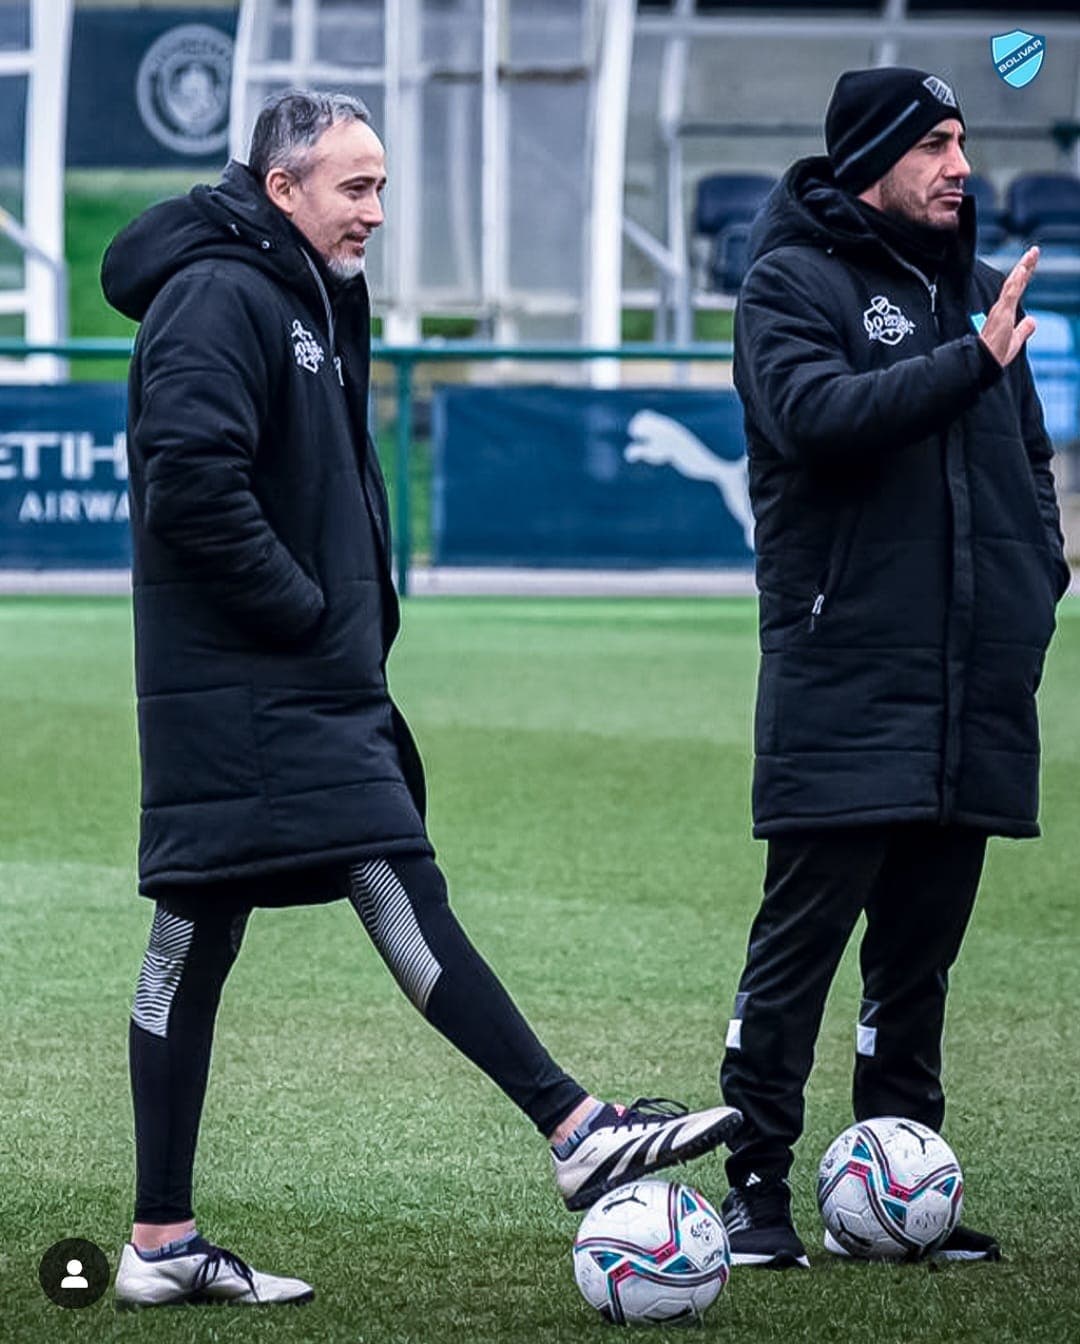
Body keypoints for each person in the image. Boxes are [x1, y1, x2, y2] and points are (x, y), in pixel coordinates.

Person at [101, 89, 740, 1308]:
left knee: (193, 937)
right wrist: (305, 611)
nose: (376, 212)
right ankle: (574, 1126)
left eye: (383, 186)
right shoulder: (220, 293)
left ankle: (159, 1243)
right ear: (282, 188)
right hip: (253, 683)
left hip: (289, 681)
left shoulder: (304, 290)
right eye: (355, 187)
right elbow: (187, 482)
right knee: (386, 874)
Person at [718, 67, 1068, 1269]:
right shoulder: (789, 283)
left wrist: (1038, 590)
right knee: (800, 950)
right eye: (936, 143)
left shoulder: (975, 295)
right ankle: (754, 1192)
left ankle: (901, 1181)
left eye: (966, 140)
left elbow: (1026, 462)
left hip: (972, 679)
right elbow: (818, 418)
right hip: (846, 670)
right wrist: (970, 360)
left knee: (920, 954)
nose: (961, 165)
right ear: (874, 155)